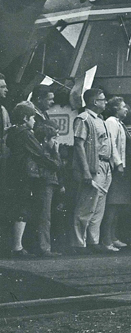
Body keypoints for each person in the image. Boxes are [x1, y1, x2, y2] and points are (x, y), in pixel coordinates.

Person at [5, 102, 60, 257]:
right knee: (22, 208)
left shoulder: (13, 131)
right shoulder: (25, 133)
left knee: (17, 207)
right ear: (25, 118)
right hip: (23, 174)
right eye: (32, 118)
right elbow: (39, 153)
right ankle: (17, 247)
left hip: (13, 173)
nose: (34, 121)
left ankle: (16, 245)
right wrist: (55, 163)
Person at [71, 88, 112, 252]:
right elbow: (79, 145)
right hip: (94, 167)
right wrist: (86, 171)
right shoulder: (84, 118)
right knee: (86, 205)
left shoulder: (100, 119)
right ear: (95, 102)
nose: (105, 102)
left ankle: (93, 241)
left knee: (98, 206)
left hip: (105, 166)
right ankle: (78, 243)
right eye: (103, 99)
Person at [101, 97, 131, 252]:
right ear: (115, 109)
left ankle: (113, 237)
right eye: (123, 106)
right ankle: (107, 240)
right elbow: (111, 143)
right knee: (112, 204)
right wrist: (118, 163)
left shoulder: (119, 123)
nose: (126, 109)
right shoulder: (111, 122)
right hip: (115, 168)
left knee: (118, 204)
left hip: (121, 168)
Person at [30, 122, 64, 256]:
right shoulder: (44, 153)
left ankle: (44, 246)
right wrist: (56, 152)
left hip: (48, 183)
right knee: (45, 216)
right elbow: (57, 165)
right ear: (46, 139)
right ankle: (44, 248)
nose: (56, 142)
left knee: (46, 215)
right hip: (45, 183)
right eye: (54, 139)